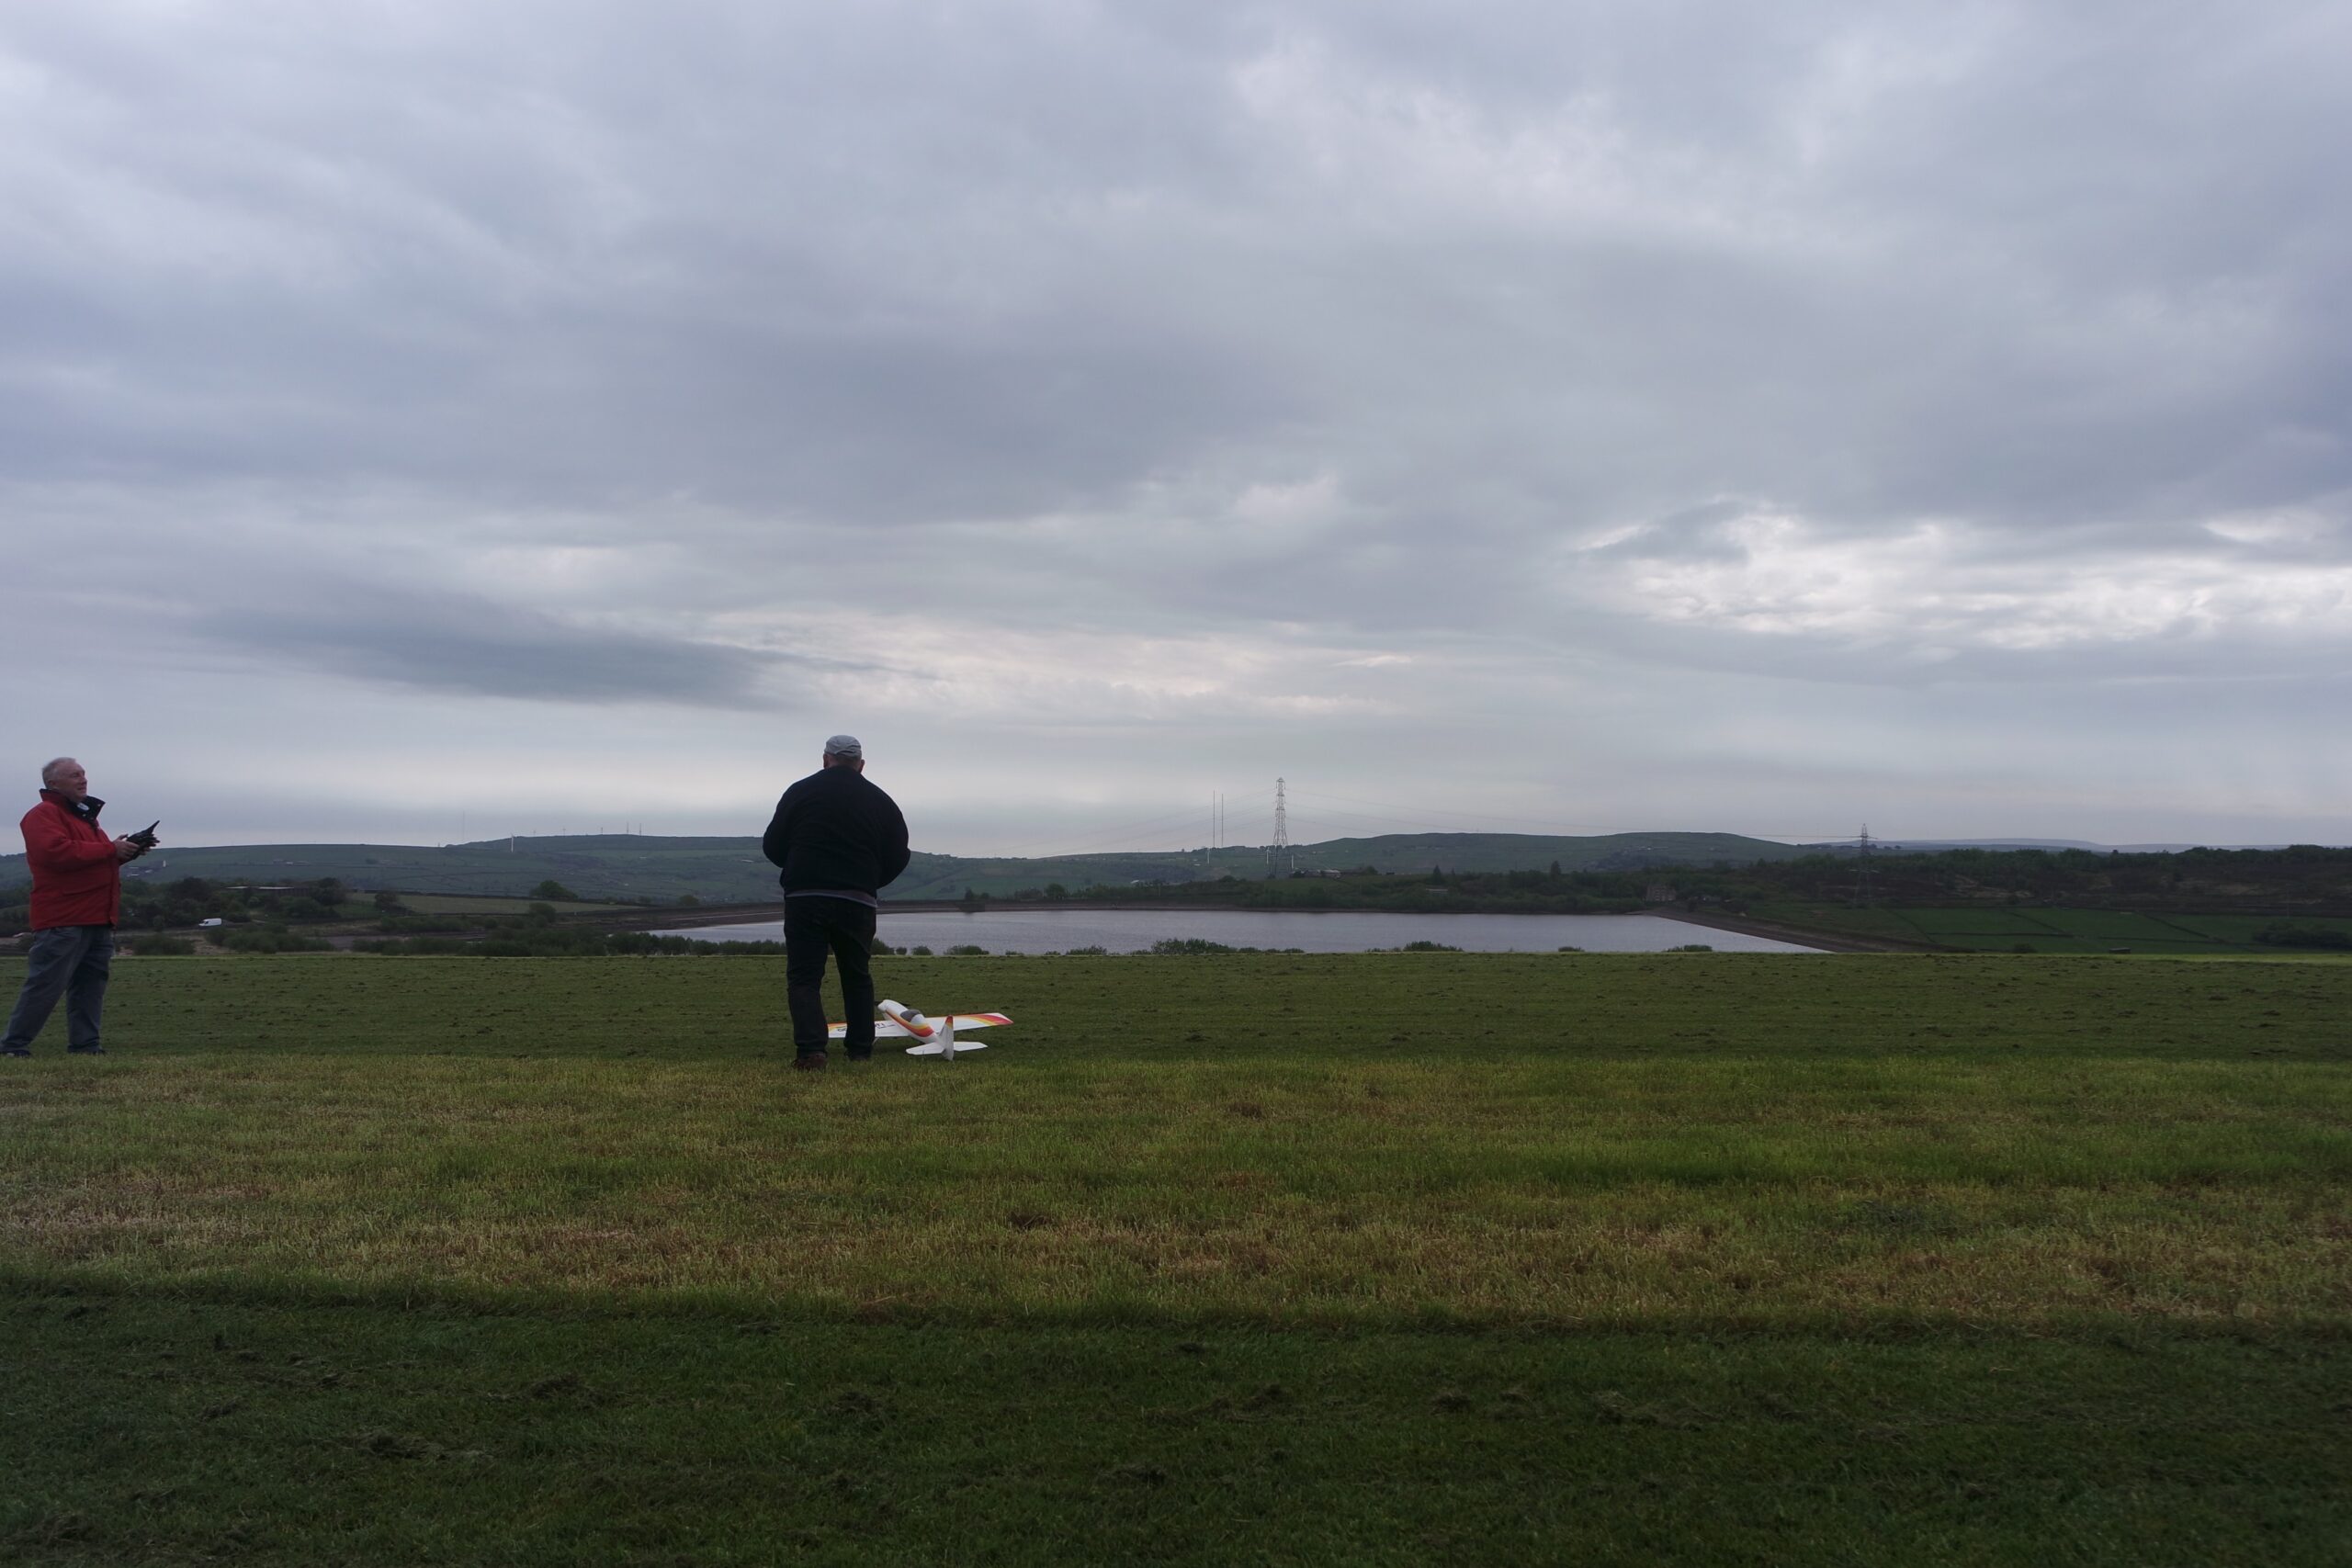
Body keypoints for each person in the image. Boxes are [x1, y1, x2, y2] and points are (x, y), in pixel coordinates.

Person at [761, 735, 910, 1071]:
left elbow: (772, 845)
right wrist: (869, 881)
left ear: (825, 759)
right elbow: (899, 854)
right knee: (856, 975)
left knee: (804, 977)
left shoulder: (799, 792)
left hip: (805, 896)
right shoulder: (881, 801)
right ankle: (860, 1050)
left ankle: (812, 1051)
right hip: (858, 899)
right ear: (861, 765)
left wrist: (799, 868)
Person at [4, 758, 152, 1058]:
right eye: (74, 775)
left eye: (83, 774)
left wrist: (124, 853)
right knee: (46, 984)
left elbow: (92, 863)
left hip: (97, 918)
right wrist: (110, 849)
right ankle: (12, 1046)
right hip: (63, 918)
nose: (83, 779)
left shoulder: (86, 819)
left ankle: (86, 1046)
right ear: (53, 783)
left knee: (90, 985)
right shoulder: (43, 814)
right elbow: (54, 853)